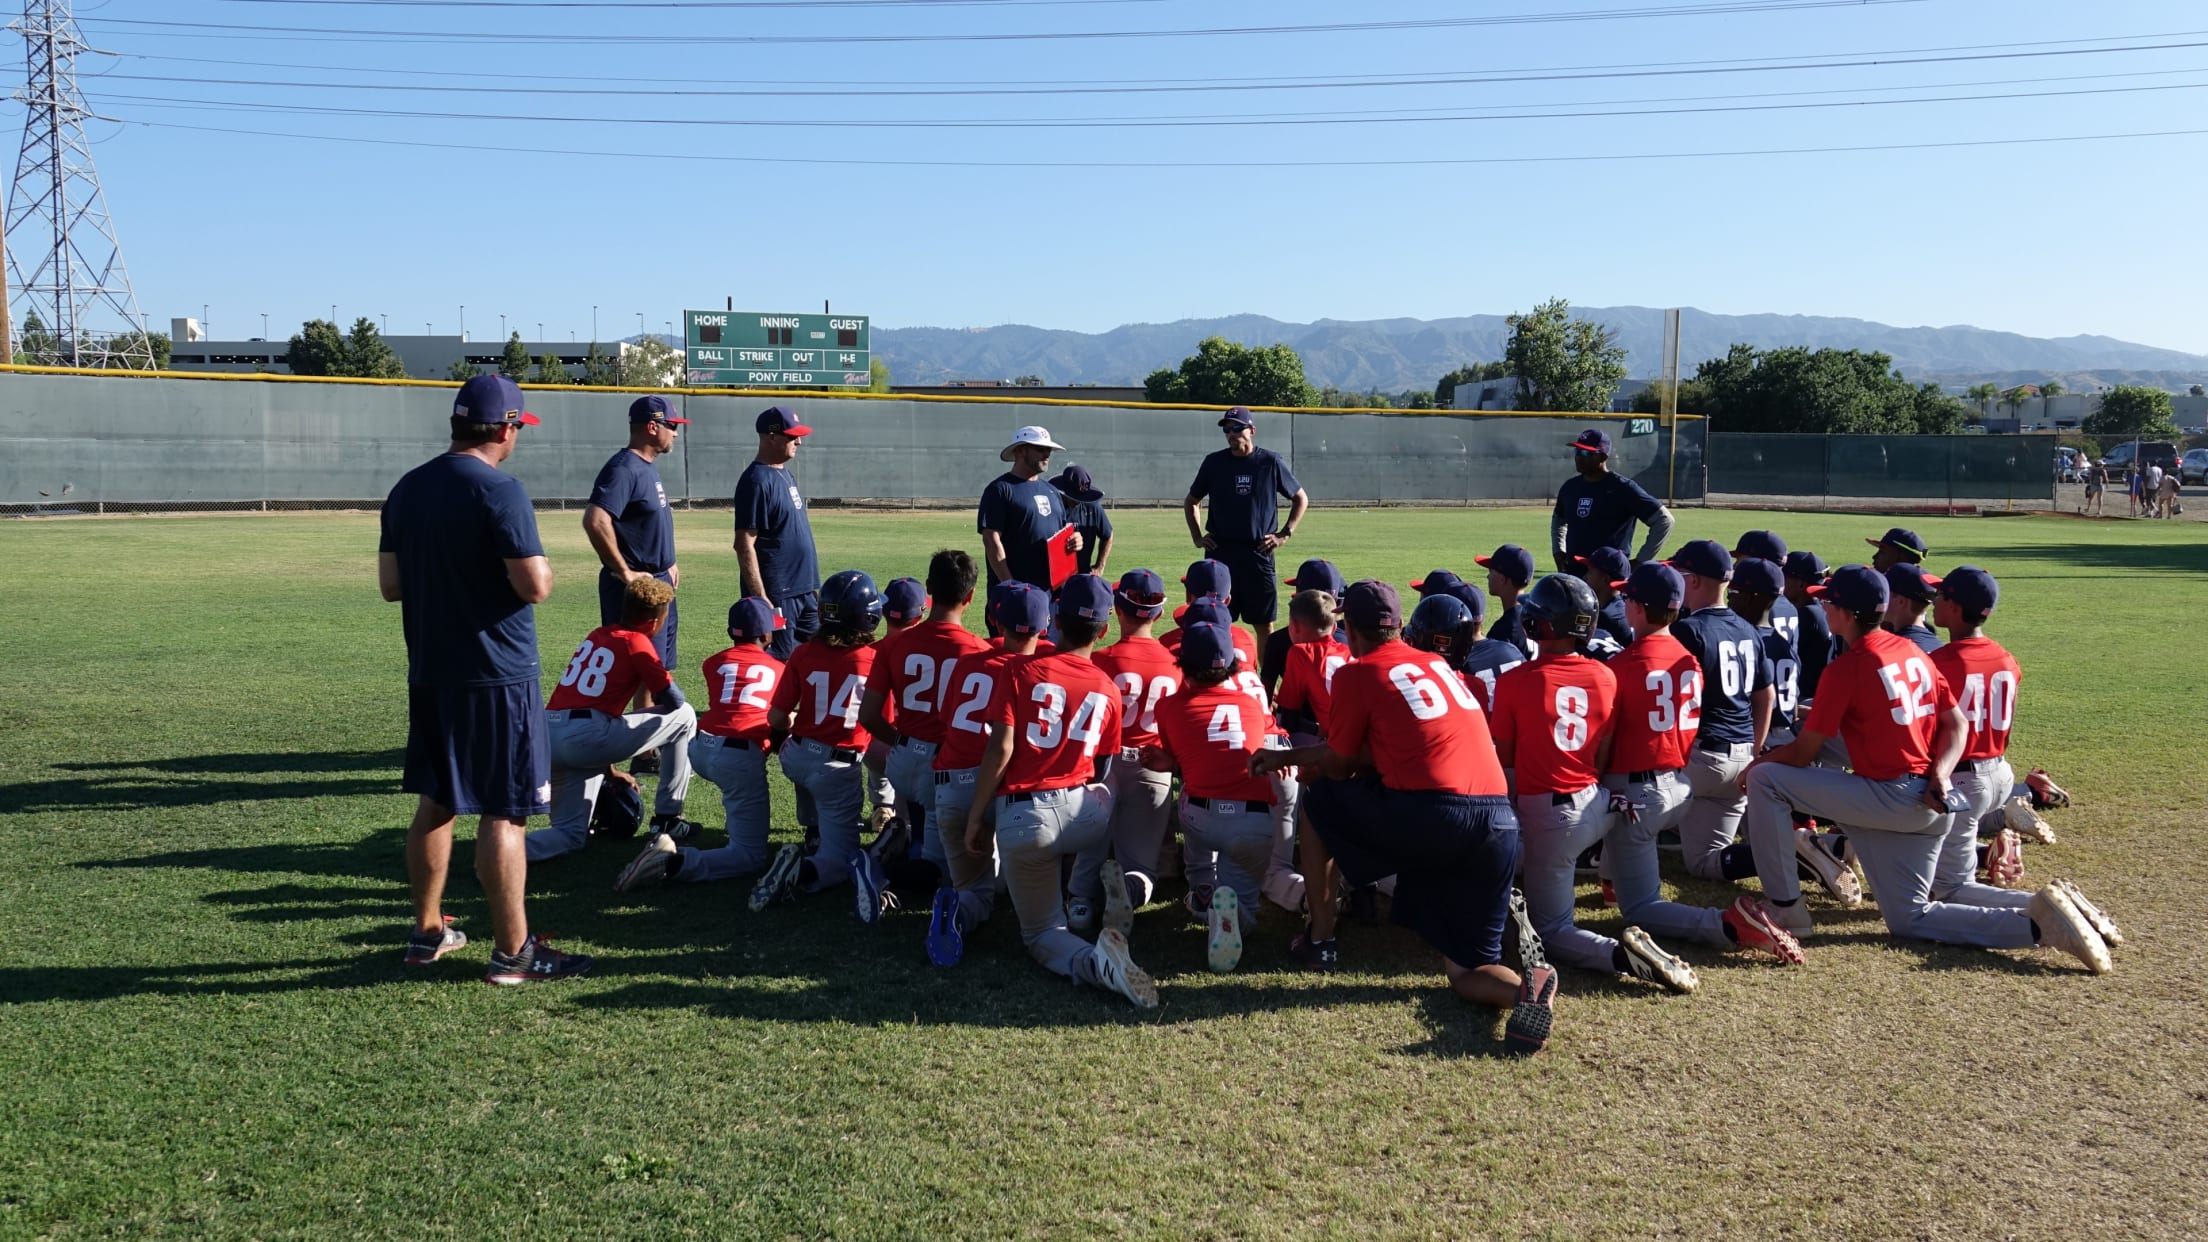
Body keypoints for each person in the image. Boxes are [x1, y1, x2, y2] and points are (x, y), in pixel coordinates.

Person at [1736, 566, 2115, 973]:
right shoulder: (1913, 651)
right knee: (1911, 917)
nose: (1823, 606)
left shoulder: (1850, 665)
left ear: (1844, 611)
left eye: (1828, 600)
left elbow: (1802, 751)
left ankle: (1786, 908)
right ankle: (2041, 922)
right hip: (1926, 800)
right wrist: (1941, 774)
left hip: (1889, 797)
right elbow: (1957, 723)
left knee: (1765, 779)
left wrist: (1758, 762)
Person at [1252, 581, 1553, 1055]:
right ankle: (1525, 992)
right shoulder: (1437, 664)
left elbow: (1341, 764)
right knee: (1465, 971)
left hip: (1435, 814)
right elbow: (1392, 746)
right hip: (1499, 819)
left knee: (1321, 798)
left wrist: (1286, 758)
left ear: (1348, 627)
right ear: (1399, 625)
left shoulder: (1358, 673)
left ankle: (1321, 938)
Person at [378, 373, 588, 984]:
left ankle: (426, 932)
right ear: (505, 428)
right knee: (505, 810)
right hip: (497, 674)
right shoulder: (500, 490)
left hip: (432, 668)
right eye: (518, 426)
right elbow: (536, 586)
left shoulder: (407, 487)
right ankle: (514, 952)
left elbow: (392, 586)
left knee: (436, 802)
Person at [1491, 574, 1698, 993]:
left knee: (1551, 930)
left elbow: (1504, 758)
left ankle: (1621, 957)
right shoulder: (1605, 676)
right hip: (1597, 803)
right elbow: (1602, 753)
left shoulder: (1516, 680)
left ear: (1542, 625)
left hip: (1555, 814)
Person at [965, 575, 1158, 1008]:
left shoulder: (1019, 670)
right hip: (1085, 818)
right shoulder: (1108, 687)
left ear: (1054, 621)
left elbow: (1002, 748)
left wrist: (978, 816)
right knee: (1096, 801)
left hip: (1027, 818)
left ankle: (1094, 963)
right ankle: (1082, 892)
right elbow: (1102, 770)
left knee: (1041, 934)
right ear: (1104, 630)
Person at [1598, 563, 1803, 965]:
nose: (1623, 605)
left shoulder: (1622, 665)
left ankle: (1727, 923)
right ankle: (1611, 879)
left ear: (1638, 608)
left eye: (1627, 599)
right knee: (1699, 858)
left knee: (1639, 907)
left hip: (1642, 791)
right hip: (1679, 782)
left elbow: (1604, 744)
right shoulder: (1686, 657)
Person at [1145, 622, 1295, 973]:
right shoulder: (1251, 704)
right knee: (1244, 903)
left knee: (1193, 802)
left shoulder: (1168, 708)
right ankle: (1226, 910)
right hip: (1252, 820)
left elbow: (1184, 756)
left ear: (1183, 664)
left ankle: (1202, 891)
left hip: (1200, 818)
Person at [926, 582, 1056, 967]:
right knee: (1027, 870)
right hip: (1008, 790)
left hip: (952, 783)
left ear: (997, 621)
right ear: (1044, 626)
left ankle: (960, 908)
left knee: (974, 888)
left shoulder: (969, 662)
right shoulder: (1040, 671)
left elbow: (948, 720)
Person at [615, 597, 784, 892]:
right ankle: (671, 862)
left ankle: (675, 820)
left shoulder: (713, 663)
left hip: (702, 749)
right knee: (751, 856)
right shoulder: (779, 668)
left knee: (736, 788)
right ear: (766, 636)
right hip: (737, 756)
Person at [529, 577, 699, 863]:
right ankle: (669, 817)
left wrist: (609, 770)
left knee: (569, 835)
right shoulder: (639, 642)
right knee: (685, 716)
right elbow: (674, 700)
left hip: (548, 734)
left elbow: (589, 708)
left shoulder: (598, 634)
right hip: (586, 735)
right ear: (653, 622)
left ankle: (499, 854)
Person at [752, 570, 885, 921]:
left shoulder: (803, 653)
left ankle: (813, 833)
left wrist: (800, 728)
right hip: (836, 767)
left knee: (809, 775)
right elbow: (882, 723)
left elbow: (777, 718)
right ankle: (802, 870)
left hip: (797, 754)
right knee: (840, 865)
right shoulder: (875, 659)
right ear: (868, 616)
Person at [859, 552, 992, 901]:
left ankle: (890, 856)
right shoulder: (980, 651)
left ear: (929, 589)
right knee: (952, 873)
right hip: (947, 769)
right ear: (971, 596)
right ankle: (884, 873)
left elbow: (870, 716)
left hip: (902, 760)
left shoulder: (893, 644)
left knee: (933, 840)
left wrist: (903, 740)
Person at [1666, 540, 1782, 887]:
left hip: (1700, 758)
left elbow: (1672, 701)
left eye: (1681, 574)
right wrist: (1755, 752)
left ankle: (1604, 866)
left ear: (1697, 581)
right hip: (1741, 756)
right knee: (1703, 863)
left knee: (1627, 801)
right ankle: (1796, 851)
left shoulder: (1688, 630)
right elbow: (1766, 697)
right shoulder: (1748, 628)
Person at [1080, 569, 1181, 925]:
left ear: (1117, 610)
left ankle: (1079, 905)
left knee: (1088, 852)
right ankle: (1132, 890)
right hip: (1153, 766)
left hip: (1103, 767)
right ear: (1159, 613)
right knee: (1141, 866)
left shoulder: (1103, 659)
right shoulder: (1176, 663)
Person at [1183, 405, 1310, 652]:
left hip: (1257, 554)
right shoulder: (1214, 462)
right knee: (1217, 621)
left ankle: (1265, 685)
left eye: (1237, 428)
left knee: (1264, 624)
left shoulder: (1269, 462)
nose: (1232, 433)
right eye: (1227, 429)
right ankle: (1223, 680)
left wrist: (1285, 533)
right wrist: (1198, 537)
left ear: (1252, 430)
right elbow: (1191, 501)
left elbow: (1300, 498)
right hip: (1221, 555)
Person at [584, 394, 688, 681]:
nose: (676, 432)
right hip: (636, 591)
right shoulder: (623, 468)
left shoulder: (646, 466)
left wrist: (669, 561)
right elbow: (595, 520)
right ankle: (628, 727)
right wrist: (625, 572)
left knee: (658, 669)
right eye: (671, 424)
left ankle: (651, 725)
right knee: (639, 673)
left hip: (660, 580)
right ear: (652, 427)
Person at [734, 406, 820, 662]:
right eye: (792, 436)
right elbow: (744, 544)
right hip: (778, 591)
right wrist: (760, 597)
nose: (799, 441)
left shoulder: (784, 473)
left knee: (816, 654)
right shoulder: (756, 481)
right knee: (779, 660)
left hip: (804, 589)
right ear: (772, 437)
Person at [1549, 427, 1674, 572]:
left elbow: (1664, 520)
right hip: (1574, 575)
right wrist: (1558, 551)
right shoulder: (1570, 487)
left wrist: (1641, 561)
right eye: (1577, 451)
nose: (1579, 457)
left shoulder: (1623, 488)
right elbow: (1559, 519)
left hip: (1607, 579)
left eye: (1586, 452)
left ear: (1603, 457)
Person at [978, 425, 1079, 594]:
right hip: (1015, 595)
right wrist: (1010, 585)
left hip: (1051, 594)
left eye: (1049, 450)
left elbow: (1062, 534)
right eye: (1040, 449)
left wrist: (1075, 540)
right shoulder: (1000, 489)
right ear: (1020, 451)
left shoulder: (1052, 491)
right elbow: (991, 540)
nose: (1046, 454)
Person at [1728, 558, 1800, 746]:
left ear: (1749, 597)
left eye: (1733, 591)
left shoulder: (1745, 642)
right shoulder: (1784, 644)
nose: (1729, 597)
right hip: (1788, 737)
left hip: (1759, 736)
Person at [1261, 558, 1346, 695]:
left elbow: (1267, 693)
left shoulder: (1278, 641)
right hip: (1343, 713)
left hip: (1298, 713)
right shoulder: (1350, 638)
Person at [1781, 552, 1835, 703]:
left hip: (1805, 696)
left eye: (1785, 577)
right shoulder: (1820, 609)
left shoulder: (1807, 615)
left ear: (1801, 584)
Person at [1051, 464, 1114, 576]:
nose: (1078, 501)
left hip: (1082, 575)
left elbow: (1108, 535)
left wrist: (1100, 566)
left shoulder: (1093, 507)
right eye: (1074, 497)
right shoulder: (1051, 507)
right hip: (1054, 576)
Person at [1476, 544, 1537, 658]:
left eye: (1491, 571)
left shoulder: (1504, 629)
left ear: (1502, 579)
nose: (1488, 576)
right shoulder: (1536, 617)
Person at [1572, 546, 1634, 653]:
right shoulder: (1621, 604)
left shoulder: (1605, 617)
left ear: (1605, 579)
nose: (1585, 576)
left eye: (1590, 572)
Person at [1882, 564, 1944, 654]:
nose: (1881, 598)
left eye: (1886, 593)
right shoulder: (1939, 646)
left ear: (1901, 602)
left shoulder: (1892, 650)